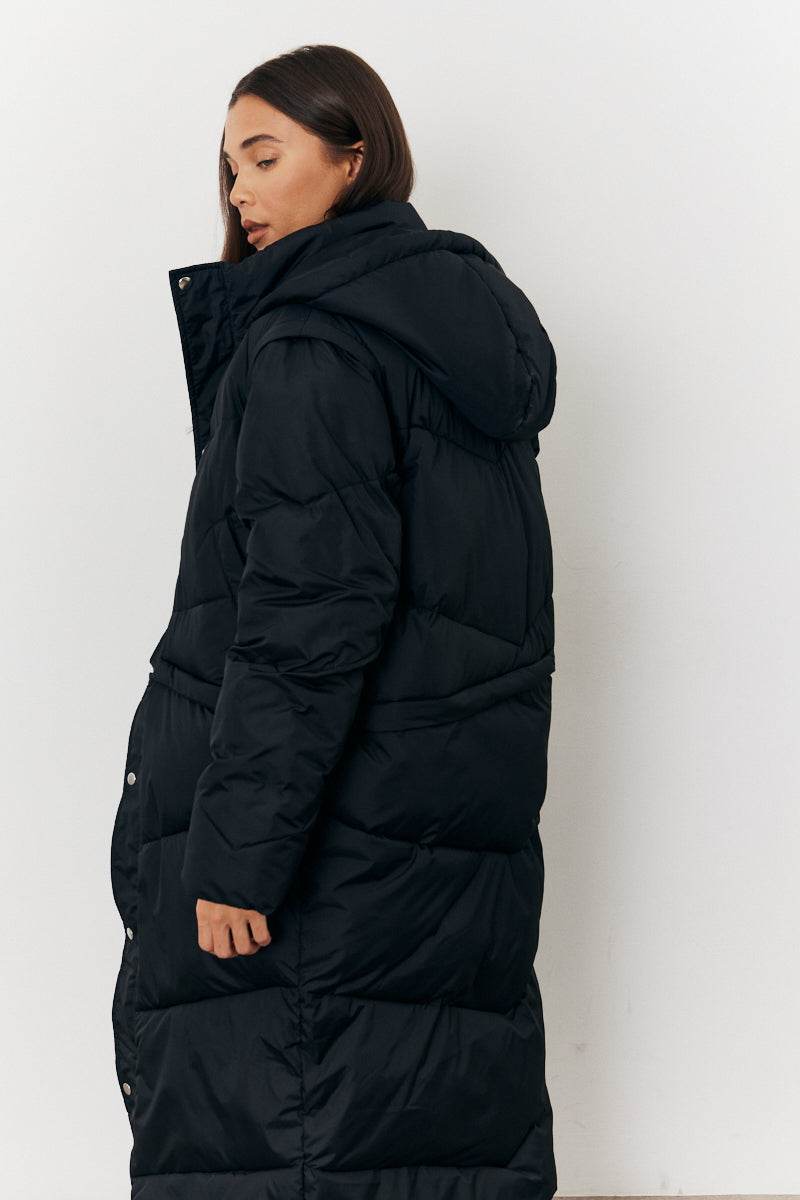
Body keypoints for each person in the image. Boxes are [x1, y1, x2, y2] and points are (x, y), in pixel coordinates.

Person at [110, 41, 558, 1200]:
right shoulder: (444, 332)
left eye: (266, 157)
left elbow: (308, 620)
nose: (239, 193)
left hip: (323, 842)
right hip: (432, 827)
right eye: (228, 167)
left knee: (292, 1128)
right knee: (420, 1126)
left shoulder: (313, 342)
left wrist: (236, 858)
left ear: (354, 158)